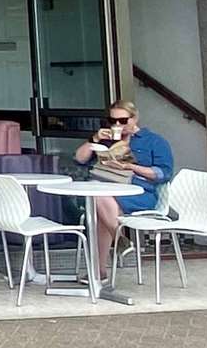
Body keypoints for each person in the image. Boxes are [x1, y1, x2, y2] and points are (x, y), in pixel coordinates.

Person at [72, 99, 173, 276]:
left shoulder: (154, 141)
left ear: (135, 119)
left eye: (123, 121)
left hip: (140, 193)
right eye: (113, 121)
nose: (118, 125)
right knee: (99, 198)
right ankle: (115, 248)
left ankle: (101, 268)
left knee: (98, 201)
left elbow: (163, 173)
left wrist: (131, 167)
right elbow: (79, 159)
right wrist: (94, 139)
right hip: (109, 190)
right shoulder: (107, 140)